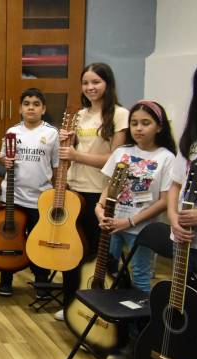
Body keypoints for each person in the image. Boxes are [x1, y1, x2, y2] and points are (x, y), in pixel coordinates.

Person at [96, 100, 175, 359]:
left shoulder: (166, 158)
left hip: (140, 229)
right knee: (111, 275)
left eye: (146, 123)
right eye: (134, 123)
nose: (138, 128)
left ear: (159, 127)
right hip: (111, 225)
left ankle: (136, 341)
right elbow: (107, 186)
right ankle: (107, 335)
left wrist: (129, 222)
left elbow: (164, 201)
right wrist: (99, 209)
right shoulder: (122, 152)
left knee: (139, 281)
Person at [57, 63, 129, 321]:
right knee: (70, 251)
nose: (90, 88)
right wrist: (67, 144)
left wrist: (77, 154)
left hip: (99, 194)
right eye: (86, 83)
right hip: (74, 189)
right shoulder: (79, 115)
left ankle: (97, 309)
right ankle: (69, 305)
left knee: (95, 255)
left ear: (107, 84)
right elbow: (71, 153)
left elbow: (116, 159)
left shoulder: (120, 115)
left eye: (96, 82)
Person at [0, 88, 57, 297]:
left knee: (40, 242)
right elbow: (3, 158)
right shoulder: (12, 132)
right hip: (14, 197)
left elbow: (56, 166)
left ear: (43, 108)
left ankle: (41, 282)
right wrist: (6, 161)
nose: (31, 107)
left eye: (36, 104)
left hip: (41, 198)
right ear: (21, 108)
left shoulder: (51, 133)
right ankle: (6, 280)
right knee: (9, 238)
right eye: (27, 103)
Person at [166, 66, 197, 359]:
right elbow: (177, 183)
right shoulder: (192, 137)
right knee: (187, 309)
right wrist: (174, 217)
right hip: (186, 240)